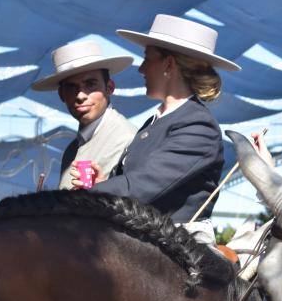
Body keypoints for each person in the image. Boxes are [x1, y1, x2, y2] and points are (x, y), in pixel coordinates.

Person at [71, 14, 241, 243]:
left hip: (179, 255)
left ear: (168, 65)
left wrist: (71, 199)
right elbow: (133, 181)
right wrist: (103, 182)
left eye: (147, 59)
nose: (141, 69)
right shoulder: (155, 122)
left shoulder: (199, 126)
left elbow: (142, 186)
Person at [30, 40, 136, 189]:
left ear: (109, 87)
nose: (80, 95)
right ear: (61, 95)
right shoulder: (72, 149)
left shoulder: (128, 140)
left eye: (90, 84)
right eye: (71, 87)